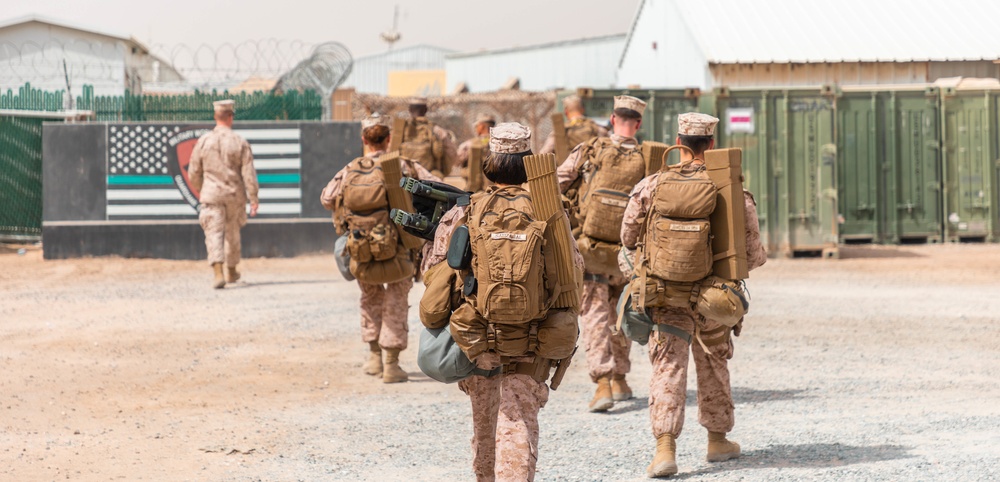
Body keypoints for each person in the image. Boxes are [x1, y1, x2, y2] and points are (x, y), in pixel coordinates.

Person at [422, 122, 583, 481]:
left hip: (478, 340)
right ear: (529, 163)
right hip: (533, 342)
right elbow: (572, 273)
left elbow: (436, 275)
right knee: (518, 426)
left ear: (488, 162)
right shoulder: (549, 212)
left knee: (485, 429)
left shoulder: (464, 211)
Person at [619, 112, 768, 478]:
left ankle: (665, 450)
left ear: (679, 141)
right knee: (714, 361)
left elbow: (626, 237)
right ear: (712, 145)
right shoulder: (731, 190)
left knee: (668, 366)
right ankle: (717, 440)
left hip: (665, 294)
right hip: (714, 297)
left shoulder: (652, 184)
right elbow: (754, 255)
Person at [320, 113, 441, 383]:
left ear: (364, 139)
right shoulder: (404, 166)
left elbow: (327, 198)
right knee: (396, 301)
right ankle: (391, 364)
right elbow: (434, 187)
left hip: (361, 250)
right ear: (388, 138)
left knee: (370, 299)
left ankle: (373, 358)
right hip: (399, 250)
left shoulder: (350, 168)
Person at [556, 95, 648, 412]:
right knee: (621, 312)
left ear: (612, 119)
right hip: (627, 253)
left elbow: (556, 184)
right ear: (638, 123)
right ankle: (622, 378)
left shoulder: (590, 150)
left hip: (590, 248)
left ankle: (604, 383)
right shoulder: (648, 157)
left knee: (594, 314)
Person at [188, 99, 259, 289]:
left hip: (211, 193)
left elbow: (193, 171)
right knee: (232, 232)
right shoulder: (239, 142)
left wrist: (202, 188)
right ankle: (231, 269)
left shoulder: (204, 141)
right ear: (230, 117)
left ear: (215, 117)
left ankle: (218, 271)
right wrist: (253, 198)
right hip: (234, 194)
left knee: (213, 231)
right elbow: (248, 173)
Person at [397, 97, 458, 179]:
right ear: (425, 110)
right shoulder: (436, 131)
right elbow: (452, 154)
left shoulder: (400, 131)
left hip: (404, 179)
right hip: (430, 180)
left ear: (410, 109)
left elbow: (390, 153)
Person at [539, 94, 608, 158]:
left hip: (567, 170)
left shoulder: (559, 131)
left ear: (566, 112)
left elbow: (544, 154)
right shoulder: (597, 128)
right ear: (582, 109)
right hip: (592, 169)